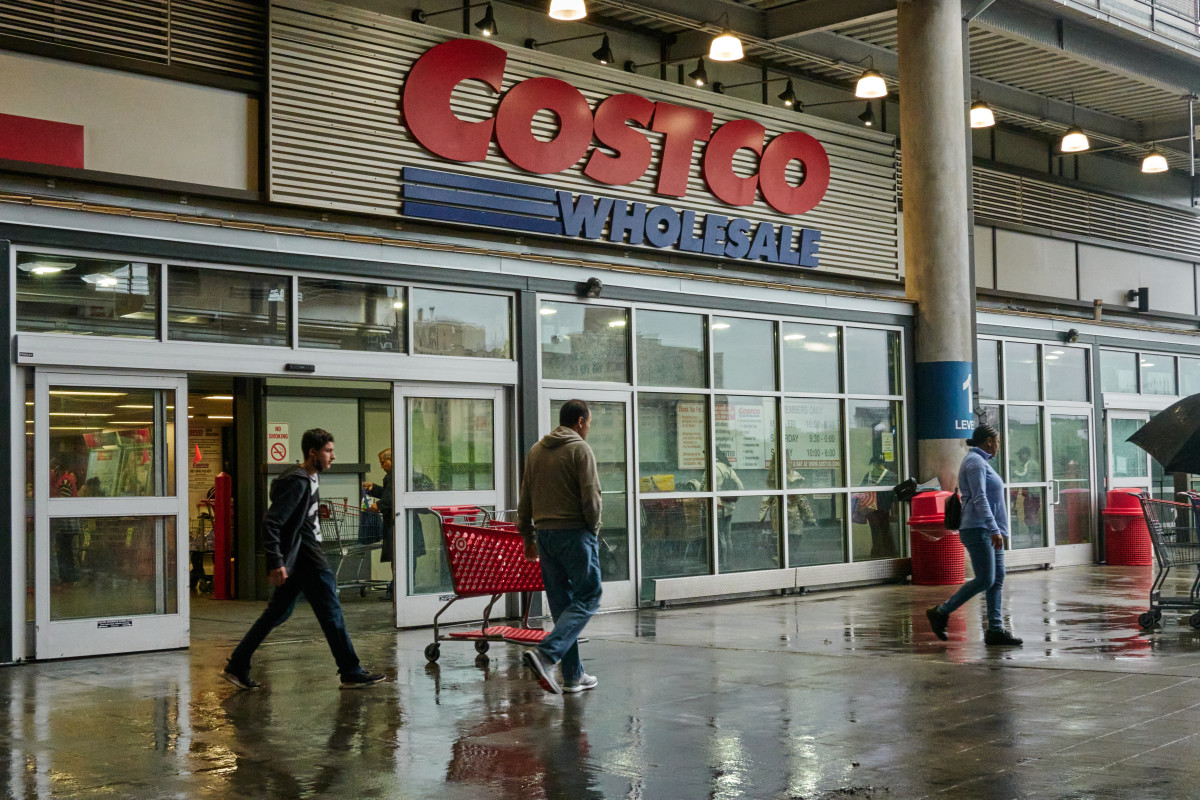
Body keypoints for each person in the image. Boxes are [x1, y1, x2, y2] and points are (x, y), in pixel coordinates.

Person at [222, 428, 385, 690]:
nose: (333, 456)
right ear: (312, 452)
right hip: (309, 559)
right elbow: (272, 522)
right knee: (331, 613)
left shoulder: (307, 477)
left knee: (277, 613)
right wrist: (275, 561)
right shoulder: (298, 482)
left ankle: (238, 665)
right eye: (328, 451)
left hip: (300, 558)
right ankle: (350, 671)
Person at [517, 399, 603, 696]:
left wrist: (528, 536)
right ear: (580, 421)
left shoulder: (536, 451)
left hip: (546, 537)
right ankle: (546, 655)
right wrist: (593, 530)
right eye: (588, 423)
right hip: (575, 534)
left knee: (562, 607)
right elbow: (591, 497)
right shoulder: (580, 449)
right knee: (589, 596)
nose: (588, 428)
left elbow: (526, 496)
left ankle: (573, 676)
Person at [926, 424, 1023, 647]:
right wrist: (994, 529)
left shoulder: (981, 462)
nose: (998, 446)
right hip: (979, 529)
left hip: (988, 529)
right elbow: (980, 498)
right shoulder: (975, 462)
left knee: (997, 578)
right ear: (989, 441)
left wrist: (997, 529)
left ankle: (995, 630)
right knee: (986, 579)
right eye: (997, 441)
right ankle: (941, 612)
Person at [363, 448, 396, 601]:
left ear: (391, 459)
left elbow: (390, 499)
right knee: (395, 557)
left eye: (383, 462)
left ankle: (396, 588)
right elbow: (388, 494)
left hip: (394, 523)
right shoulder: (392, 476)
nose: (381, 466)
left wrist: (378, 505)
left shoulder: (393, 476)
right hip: (392, 522)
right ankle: (395, 587)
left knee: (396, 557)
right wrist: (374, 489)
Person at [859, 456, 898, 558]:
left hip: (871, 507)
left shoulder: (869, 475)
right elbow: (893, 495)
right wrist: (893, 510)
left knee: (875, 531)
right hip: (883, 507)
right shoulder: (890, 475)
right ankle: (886, 553)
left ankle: (877, 553)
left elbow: (861, 489)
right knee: (885, 530)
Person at [714, 448, 743, 557]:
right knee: (727, 536)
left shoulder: (712, 469)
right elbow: (741, 488)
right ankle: (729, 562)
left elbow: (703, 489)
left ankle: (722, 562)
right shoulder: (730, 470)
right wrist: (732, 500)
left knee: (720, 536)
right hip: (729, 509)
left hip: (717, 510)